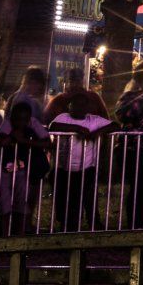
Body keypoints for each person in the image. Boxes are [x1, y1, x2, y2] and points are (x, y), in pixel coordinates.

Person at [49, 89, 115, 231]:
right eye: (76, 105)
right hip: (63, 167)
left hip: (86, 167)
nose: (80, 108)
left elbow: (115, 125)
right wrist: (77, 128)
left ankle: (91, 222)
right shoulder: (63, 117)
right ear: (70, 106)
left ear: (88, 107)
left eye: (83, 105)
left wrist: (98, 132)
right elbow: (53, 126)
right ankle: (65, 223)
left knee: (85, 196)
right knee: (62, 196)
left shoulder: (94, 120)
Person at [0, 101, 49, 236]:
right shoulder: (7, 124)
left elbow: (48, 142)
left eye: (24, 119)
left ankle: (20, 234)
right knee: (4, 202)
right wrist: (13, 136)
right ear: (12, 117)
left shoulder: (33, 125)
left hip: (23, 170)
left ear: (29, 118)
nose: (20, 122)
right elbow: (1, 141)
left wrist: (25, 141)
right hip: (5, 169)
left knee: (22, 201)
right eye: (17, 119)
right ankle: (4, 234)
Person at [44, 67, 109, 121]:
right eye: (72, 81)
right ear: (64, 83)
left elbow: (105, 121)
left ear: (82, 81)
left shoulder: (94, 97)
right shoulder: (58, 101)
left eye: (77, 81)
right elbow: (47, 122)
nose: (75, 84)